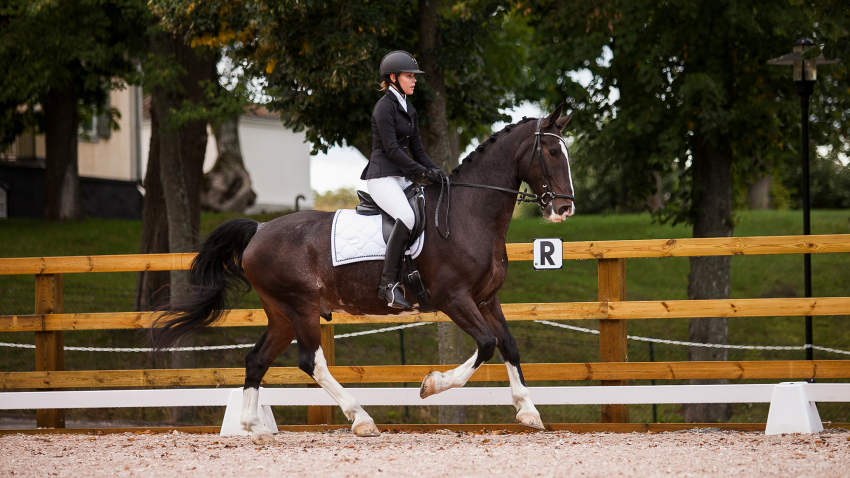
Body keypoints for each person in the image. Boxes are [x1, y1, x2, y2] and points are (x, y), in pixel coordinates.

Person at [360, 50, 446, 308]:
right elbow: (392, 150)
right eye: (410, 76)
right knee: (407, 217)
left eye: (414, 76)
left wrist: (437, 172)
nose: (414, 80)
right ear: (394, 78)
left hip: (400, 177)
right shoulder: (383, 107)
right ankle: (387, 285)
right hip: (382, 178)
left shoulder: (409, 108)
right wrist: (421, 172)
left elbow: (417, 149)